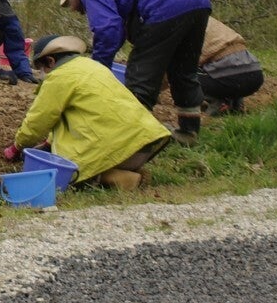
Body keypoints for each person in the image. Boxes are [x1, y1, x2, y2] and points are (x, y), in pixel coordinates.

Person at [54, 0, 211, 146]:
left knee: (140, 76)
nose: (73, 9)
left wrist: (97, 69)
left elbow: (108, 30)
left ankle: (135, 136)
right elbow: (117, 30)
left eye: (68, 2)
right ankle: (188, 132)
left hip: (165, 5)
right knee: (183, 70)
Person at [9, 34, 172, 190]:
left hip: (118, 148)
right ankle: (127, 170)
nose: (41, 74)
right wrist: (49, 143)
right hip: (143, 142)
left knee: (69, 175)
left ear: (51, 61)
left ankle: (116, 177)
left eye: (41, 68)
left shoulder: (59, 77)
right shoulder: (93, 66)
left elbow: (39, 120)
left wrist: (17, 146)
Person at [199, 16, 264, 115]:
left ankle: (218, 102)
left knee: (183, 75)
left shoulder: (184, 23)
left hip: (230, 78)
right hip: (255, 74)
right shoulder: (210, 20)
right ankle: (236, 105)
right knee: (227, 67)